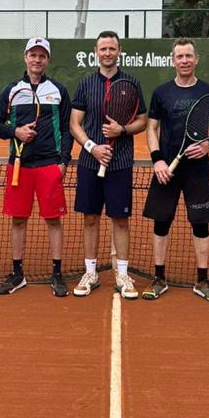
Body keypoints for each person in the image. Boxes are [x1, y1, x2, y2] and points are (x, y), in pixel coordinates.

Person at [141, 38, 209, 303]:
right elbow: (152, 128)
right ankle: (159, 278)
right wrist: (157, 160)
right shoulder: (162, 93)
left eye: (189, 56)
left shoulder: (208, 92)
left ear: (196, 59)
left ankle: (202, 280)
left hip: (197, 169)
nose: (185, 60)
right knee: (161, 222)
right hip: (167, 169)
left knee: (200, 223)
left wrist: (208, 145)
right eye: (180, 56)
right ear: (173, 60)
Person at [0, 37, 72, 296]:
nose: (37, 60)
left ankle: (57, 273)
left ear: (47, 60)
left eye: (42, 56)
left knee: (53, 221)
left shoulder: (58, 89)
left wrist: (64, 162)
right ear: (25, 57)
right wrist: (16, 131)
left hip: (50, 165)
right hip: (19, 165)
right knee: (18, 220)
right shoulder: (11, 90)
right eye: (33, 55)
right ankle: (17, 273)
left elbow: (66, 128)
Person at [70, 30, 147, 298]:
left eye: (112, 49)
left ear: (119, 51)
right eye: (103, 49)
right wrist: (92, 147)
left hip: (120, 163)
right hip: (90, 163)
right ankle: (90, 273)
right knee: (90, 219)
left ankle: (123, 275)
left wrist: (122, 130)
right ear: (96, 51)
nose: (107, 53)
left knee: (121, 220)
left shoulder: (132, 83)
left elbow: (143, 120)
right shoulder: (84, 84)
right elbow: (74, 123)